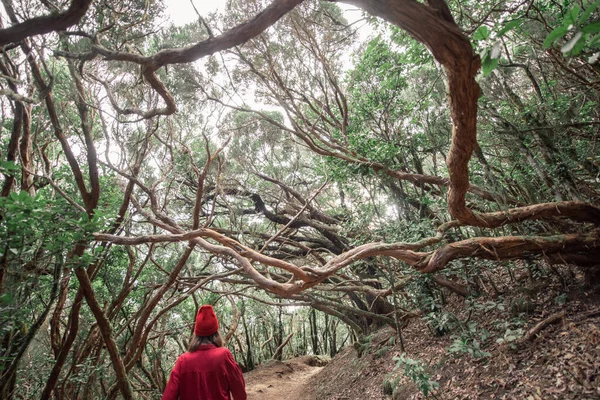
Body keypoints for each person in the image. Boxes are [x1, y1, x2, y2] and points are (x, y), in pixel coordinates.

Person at [162, 305, 247, 400]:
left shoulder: (183, 361)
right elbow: (240, 394)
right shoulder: (224, 355)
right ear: (216, 333)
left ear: (196, 334)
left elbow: (168, 396)